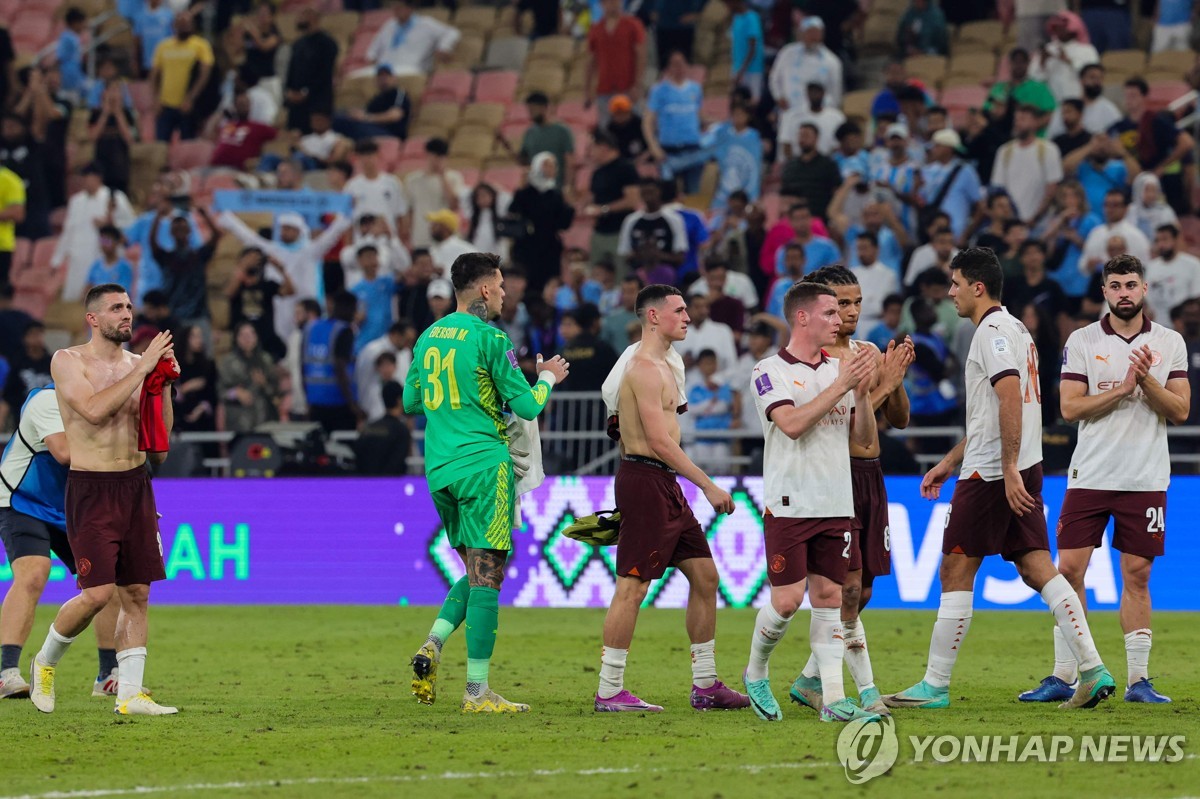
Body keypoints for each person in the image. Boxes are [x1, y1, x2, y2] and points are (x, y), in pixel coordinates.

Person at [885, 248, 1115, 711]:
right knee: (1037, 567)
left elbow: (1009, 397)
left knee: (955, 567)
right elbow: (995, 412)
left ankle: (934, 685)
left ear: (977, 286)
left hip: (993, 472)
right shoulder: (1016, 330)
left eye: (955, 283)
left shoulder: (991, 332)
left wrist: (1006, 468)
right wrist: (950, 460)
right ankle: (1092, 668)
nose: (949, 292)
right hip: (1014, 464)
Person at [404, 252, 570, 712]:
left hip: (440, 470)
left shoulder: (427, 337)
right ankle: (477, 691)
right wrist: (548, 379)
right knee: (488, 576)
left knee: (475, 573)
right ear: (482, 289)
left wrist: (460, 404)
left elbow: (411, 400)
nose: (503, 292)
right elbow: (530, 407)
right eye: (498, 285)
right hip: (483, 466)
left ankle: (433, 644)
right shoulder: (491, 339)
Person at [1021, 256, 1191, 702]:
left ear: (1145, 288)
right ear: (1104, 291)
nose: (1124, 293)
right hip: (1090, 474)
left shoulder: (1169, 341)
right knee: (1070, 570)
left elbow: (1180, 410)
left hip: (1146, 475)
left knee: (1137, 575)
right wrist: (1122, 388)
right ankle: (1063, 676)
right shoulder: (1083, 340)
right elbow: (1070, 408)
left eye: (1131, 284)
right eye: (1115, 285)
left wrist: (1146, 381)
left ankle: (1139, 681)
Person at [594, 283, 745, 713]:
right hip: (646, 480)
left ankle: (705, 685)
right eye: (679, 310)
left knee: (705, 577)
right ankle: (608, 689)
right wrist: (708, 485)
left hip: (663, 485)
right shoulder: (642, 368)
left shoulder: (667, 364)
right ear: (653, 316)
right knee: (632, 587)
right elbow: (659, 442)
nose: (688, 317)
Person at [29, 285, 178, 716]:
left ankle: (130, 695)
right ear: (93, 318)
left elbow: (160, 451)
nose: (126, 313)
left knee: (137, 593)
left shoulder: (139, 365)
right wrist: (145, 366)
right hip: (91, 488)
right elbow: (94, 411)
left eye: (129, 306)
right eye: (116, 308)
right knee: (97, 594)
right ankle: (45, 661)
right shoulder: (68, 361)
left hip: (136, 485)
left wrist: (162, 383)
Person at [740, 279, 879, 723]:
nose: (840, 321)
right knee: (785, 602)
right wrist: (842, 385)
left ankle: (835, 699)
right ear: (802, 317)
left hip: (837, 502)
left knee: (829, 597)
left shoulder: (839, 371)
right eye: (830, 313)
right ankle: (756, 671)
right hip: (790, 501)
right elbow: (793, 424)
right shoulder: (769, 370)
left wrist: (862, 391)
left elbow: (863, 441)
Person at [0, 384, 124, 701]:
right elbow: (65, 453)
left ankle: (108, 675)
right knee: (34, 573)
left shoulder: (101, 411)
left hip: (68, 509)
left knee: (108, 580)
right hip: (21, 500)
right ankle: (6, 673)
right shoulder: (47, 400)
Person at [52, 165, 136, 303]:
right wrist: (57, 259)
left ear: (98, 178)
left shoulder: (114, 197)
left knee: (105, 297)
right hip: (79, 255)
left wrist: (110, 223)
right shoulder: (76, 201)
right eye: (83, 179)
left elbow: (130, 225)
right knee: (78, 297)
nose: (86, 182)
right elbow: (68, 231)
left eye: (89, 178)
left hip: (104, 252)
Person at [151, 206, 220, 345]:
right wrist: (158, 218)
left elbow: (217, 236)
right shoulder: (166, 258)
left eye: (183, 228)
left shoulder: (199, 256)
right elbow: (152, 243)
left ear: (189, 231)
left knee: (204, 357)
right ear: (171, 232)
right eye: (176, 229)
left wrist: (205, 215)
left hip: (199, 315)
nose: (180, 233)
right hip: (175, 317)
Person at [509, 153, 576, 291]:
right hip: (526, 246)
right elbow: (514, 214)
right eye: (546, 165)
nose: (551, 169)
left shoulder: (556, 195)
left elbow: (563, 224)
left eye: (553, 166)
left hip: (549, 247)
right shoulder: (525, 193)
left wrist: (569, 205)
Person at [644, 51, 705, 195]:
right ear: (668, 68)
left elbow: (699, 116)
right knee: (669, 193)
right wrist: (654, 147)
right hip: (669, 150)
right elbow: (647, 122)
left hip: (692, 149)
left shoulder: (695, 89)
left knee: (693, 193)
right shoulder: (659, 91)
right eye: (675, 64)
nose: (679, 68)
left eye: (682, 64)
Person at [991, 106, 1064, 224]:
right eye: (1016, 119)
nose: (1018, 123)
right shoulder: (1004, 151)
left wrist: (1035, 218)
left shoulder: (1048, 150)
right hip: (1011, 222)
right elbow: (999, 188)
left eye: (1023, 119)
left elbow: (1052, 188)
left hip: (1038, 221)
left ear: (1035, 122)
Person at [149, 12, 214, 142]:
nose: (184, 27)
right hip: (165, 104)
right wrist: (155, 100)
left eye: (187, 24)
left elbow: (204, 74)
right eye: (181, 24)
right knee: (161, 145)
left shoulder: (201, 45)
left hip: (187, 105)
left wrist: (191, 98)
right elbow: (154, 75)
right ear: (174, 26)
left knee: (188, 145)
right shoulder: (163, 46)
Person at [302, 291, 362, 432]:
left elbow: (303, 367)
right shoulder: (344, 331)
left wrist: (308, 398)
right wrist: (353, 405)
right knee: (343, 449)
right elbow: (340, 368)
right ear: (349, 309)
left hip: (315, 403)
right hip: (339, 404)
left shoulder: (310, 328)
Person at [583, 130, 641, 274]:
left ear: (603, 147)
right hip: (600, 231)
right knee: (595, 274)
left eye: (592, 147)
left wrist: (604, 209)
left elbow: (632, 200)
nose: (589, 152)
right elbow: (593, 198)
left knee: (622, 274)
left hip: (619, 232)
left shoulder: (625, 168)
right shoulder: (597, 173)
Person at [584, 0, 647, 127]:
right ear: (602, 5)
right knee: (606, 129)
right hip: (605, 89)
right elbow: (590, 61)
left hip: (628, 88)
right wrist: (587, 90)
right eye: (608, 2)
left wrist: (637, 84)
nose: (612, 5)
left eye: (615, 2)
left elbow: (641, 55)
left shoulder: (632, 25)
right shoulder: (596, 29)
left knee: (635, 126)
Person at [617, 178, 688, 284]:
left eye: (651, 192)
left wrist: (657, 255)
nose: (648, 197)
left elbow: (680, 256)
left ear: (659, 192)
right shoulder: (631, 220)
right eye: (644, 193)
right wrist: (642, 255)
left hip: (666, 271)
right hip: (638, 273)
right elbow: (625, 254)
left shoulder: (674, 219)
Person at [769, 17, 843, 117]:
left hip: (817, 114)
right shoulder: (787, 53)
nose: (813, 37)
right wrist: (778, 97)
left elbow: (835, 93)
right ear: (802, 34)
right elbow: (774, 78)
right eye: (810, 32)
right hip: (789, 110)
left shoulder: (832, 61)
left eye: (816, 33)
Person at [283, 7, 339, 133]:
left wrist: (306, 92)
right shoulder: (298, 44)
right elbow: (291, 70)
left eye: (304, 14)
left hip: (317, 102)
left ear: (314, 17)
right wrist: (289, 91)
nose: (299, 18)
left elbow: (325, 74)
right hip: (296, 104)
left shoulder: (327, 43)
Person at [367, 0, 460, 75]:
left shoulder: (425, 24)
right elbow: (373, 49)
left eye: (399, 7)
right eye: (394, 7)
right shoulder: (389, 25)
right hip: (385, 69)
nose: (396, 10)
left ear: (409, 8)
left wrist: (444, 47)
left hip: (410, 69)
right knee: (356, 76)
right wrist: (372, 57)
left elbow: (452, 32)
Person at [218, 321, 279, 433]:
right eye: (243, 335)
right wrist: (236, 393)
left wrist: (264, 384)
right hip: (238, 420)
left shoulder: (266, 360)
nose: (247, 339)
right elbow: (220, 392)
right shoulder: (228, 362)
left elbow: (275, 391)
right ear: (236, 338)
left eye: (251, 335)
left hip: (263, 419)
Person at [402, 139, 464, 248]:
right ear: (427, 156)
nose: (437, 160)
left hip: (444, 235)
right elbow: (409, 210)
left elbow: (454, 204)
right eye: (434, 156)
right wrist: (408, 233)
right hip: (420, 235)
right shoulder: (413, 180)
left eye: (441, 157)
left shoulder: (454, 178)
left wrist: (442, 176)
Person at [333, 65, 411, 142]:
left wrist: (366, 117)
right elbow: (366, 113)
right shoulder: (377, 98)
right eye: (380, 77)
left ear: (394, 78)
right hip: (370, 128)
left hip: (389, 134)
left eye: (386, 76)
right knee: (337, 118)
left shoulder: (398, 93)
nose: (383, 79)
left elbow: (395, 115)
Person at [1081, 189, 1151, 274]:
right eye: (1107, 205)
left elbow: (1145, 267)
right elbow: (1083, 265)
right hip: (1098, 282)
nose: (1110, 209)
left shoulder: (1136, 236)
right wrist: (1090, 264)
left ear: (1126, 208)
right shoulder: (1096, 233)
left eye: (1115, 205)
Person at [1144, 223, 1200, 322]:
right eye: (1158, 241)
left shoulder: (1193, 265)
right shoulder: (1150, 267)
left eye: (1165, 239)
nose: (1161, 245)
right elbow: (1146, 298)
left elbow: (1195, 298)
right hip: (1155, 325)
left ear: (1176, 240)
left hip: (1183, 326)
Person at [353, 381, 411, 475]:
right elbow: (397, 462)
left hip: (366, 483)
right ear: (399, 400)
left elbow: (358, 456)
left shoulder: (369, 427)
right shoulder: (401, 431)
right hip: (390, 485)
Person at [728, 0, 764, 101]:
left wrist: (741, 71)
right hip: (737, 68)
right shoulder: (735, 18)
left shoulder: (752, 18)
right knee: (736, 101)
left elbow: (752, 49)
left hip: (752, 70)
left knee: (753, 101)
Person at [85, 226, 135, 296]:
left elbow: (124, 294)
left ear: (117, 242)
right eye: (102, 241)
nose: (103, 245)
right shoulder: (95, 266)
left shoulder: (125, 267)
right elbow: (86, 290)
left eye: (107, 241)